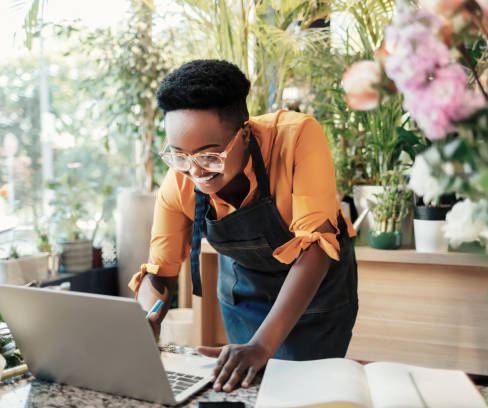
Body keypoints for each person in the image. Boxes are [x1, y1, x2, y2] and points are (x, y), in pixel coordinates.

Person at [129, 59, 358, 392]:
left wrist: (262, 346)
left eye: (210, 156)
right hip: (245, 292)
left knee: (307, 393)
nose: (195, 172)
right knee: (248, 389)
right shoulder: (177, 183)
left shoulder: (296, 138)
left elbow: (314, 251)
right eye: (179, 156)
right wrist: (148, 317)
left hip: (315, 292)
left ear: (245, 133)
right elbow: (159, 273)